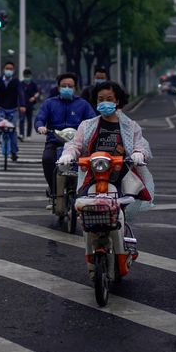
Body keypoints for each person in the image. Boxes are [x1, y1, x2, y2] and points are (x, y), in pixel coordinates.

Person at [58, 81, 154, 278]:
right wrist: (68, 155)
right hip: (93, 178)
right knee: (85, 214)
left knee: (119, 214)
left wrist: (138, 153)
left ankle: (124, 247)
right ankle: (90, 259)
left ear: (117, 100)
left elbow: (141, 144)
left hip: (121, 178)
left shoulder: (130, 126)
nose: (105, 103)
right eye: (101, 99)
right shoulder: (87, 125)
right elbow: (74, 145)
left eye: (109, 99)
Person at [35, 72, 96, 195]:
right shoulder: (49, 103)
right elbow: (40, 118)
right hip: (54, 140)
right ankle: (53, 188)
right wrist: (40, 126)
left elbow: (93, 121)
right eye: (64, 86)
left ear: (75, 88)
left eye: (70, 86)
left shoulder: (83, 104)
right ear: (58, 88)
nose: (67, 88)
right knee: (47, 159)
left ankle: (84, 189)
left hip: (77, 144)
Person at [0, 61, 25, 161]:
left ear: (13, 71)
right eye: (7, 68)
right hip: (1, 107)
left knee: (12, 130)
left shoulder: (16, 81)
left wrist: (22, 105)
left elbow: (20, 93)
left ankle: (14, 152)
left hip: (13, 109)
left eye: (11, 69)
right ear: (4, 70)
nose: (8, 70)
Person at [19, 69, 40, 140]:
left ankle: (28, 135)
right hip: (22, 105)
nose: (27, 77)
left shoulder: (33, 84)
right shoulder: (21, 84)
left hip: (30, 105)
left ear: (30, 76)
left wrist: (34, 97)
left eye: (28, 76)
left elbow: (37, 92)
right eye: (25, 76)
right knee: (21, 119)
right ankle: (21, 134)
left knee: (29, 120)